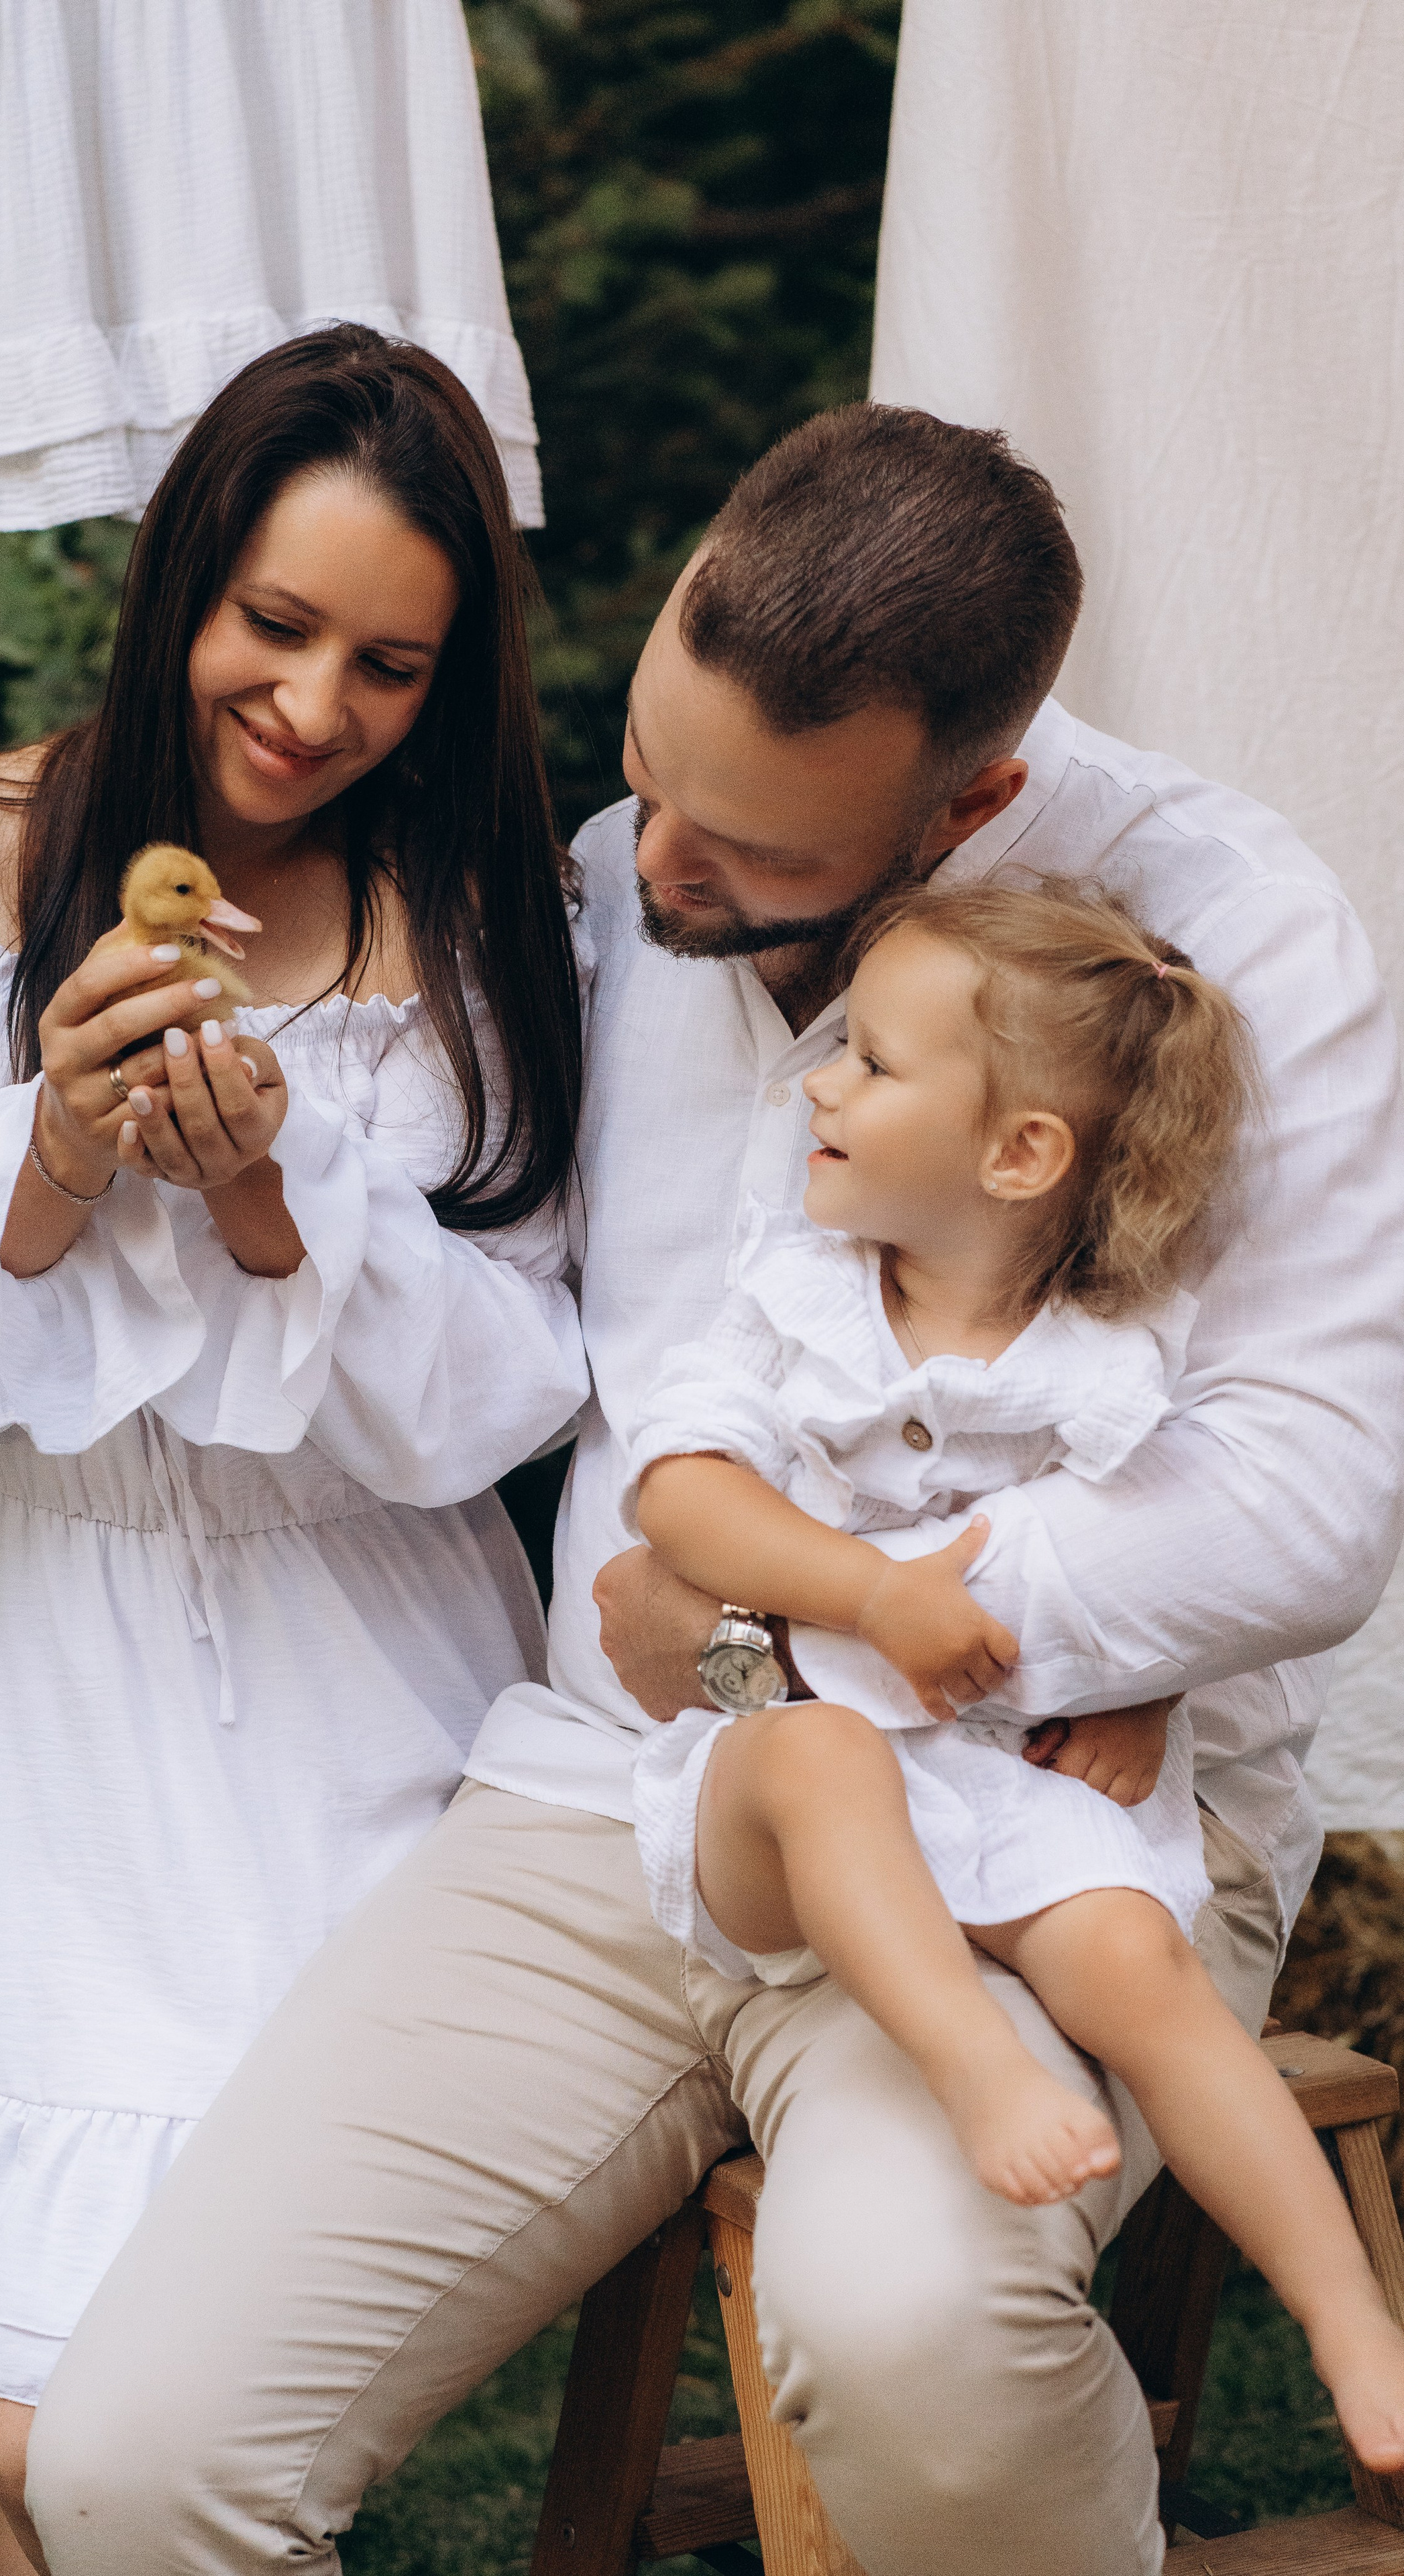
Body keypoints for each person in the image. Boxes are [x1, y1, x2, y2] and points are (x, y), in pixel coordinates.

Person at [0, 403, 1403, 2576]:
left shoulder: (1232, 935)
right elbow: (459, 1312)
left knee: (920, 2348)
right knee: (137, 2467)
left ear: (972, 800)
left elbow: (1313, 1501)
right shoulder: (605, 881)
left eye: (754, 853)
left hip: (1033, 1842)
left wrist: (856, 1630)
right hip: (606, 1802)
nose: (658, 868)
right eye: (656, 774)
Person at [0, 327, 589, 2576]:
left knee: (202, 2414)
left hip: (344, 1676)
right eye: (274, 627)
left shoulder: (493, 932)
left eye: (390, 662)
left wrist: (284, 1209)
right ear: (181, 570)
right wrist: (57, 1151)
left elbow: (521, 1379)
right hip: (13, 1677)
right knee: (46, 2435)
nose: (313, 707)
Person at [625, 877, 1404, 2468]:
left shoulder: (1110, 1358)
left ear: (1018, 1156)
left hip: (986, 1787)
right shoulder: (791, 1312)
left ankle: (1347, 2323)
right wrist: (863, 1590)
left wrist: (1148, 1682)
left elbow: (1187, 1560)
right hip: (774, 1800)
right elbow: (678, 1495)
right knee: (821, 1754)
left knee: (1138, 1964)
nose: (821, 1086)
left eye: (874, 1063)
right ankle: (976, 2068)